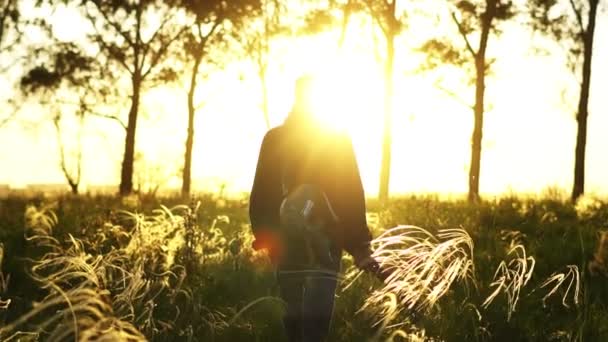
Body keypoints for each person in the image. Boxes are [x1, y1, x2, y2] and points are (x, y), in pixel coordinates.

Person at [249, 75, 386, 342]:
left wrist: (268, 238)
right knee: (314, 333)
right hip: (324, 250)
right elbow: (350, 195)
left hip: (289, 251)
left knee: (295, 331)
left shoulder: (276, 138)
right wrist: (359, 246)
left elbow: (261, 196)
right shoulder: (335, 139)